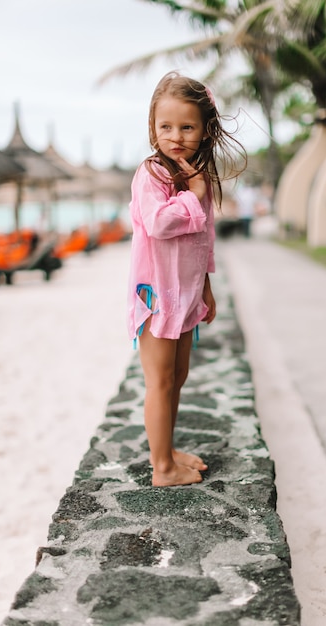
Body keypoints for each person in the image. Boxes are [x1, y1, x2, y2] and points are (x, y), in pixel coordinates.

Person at [127, 71, 246, 487]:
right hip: (157, 296)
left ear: (204, 129)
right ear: (153, 128)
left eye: (187, 126)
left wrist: (207, 286)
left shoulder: (198, 174)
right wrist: (191, 195)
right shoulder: (152, 175)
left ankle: (168, 448)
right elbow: (159, 224)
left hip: (185, 294)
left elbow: (203, 237)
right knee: (159, 380)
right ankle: (161, 467)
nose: (175, 136)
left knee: (178, 376)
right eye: (166, 126)